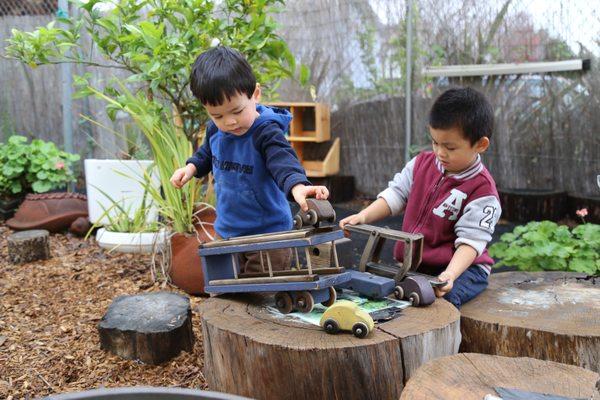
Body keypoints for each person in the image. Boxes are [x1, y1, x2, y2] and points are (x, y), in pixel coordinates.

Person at [170, 46, 328, 273]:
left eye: (237, 111)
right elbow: (207, 153)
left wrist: (297, 186)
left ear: (255, 94)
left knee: (263, 293)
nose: (229, 122)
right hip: (227, 232)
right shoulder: (216, 131)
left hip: (268, 236)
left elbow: (282, 161)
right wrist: (191, 167)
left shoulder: (266, 133)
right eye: (218, 115)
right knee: (224, 289)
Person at [340, 87, 501, 308]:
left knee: (439, 305)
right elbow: (396, 194)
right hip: (415, 264)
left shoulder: (482, 191)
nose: (440, 152)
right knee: (387, 294)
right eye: (435, 142)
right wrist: (363, 216)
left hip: (464, 269)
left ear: (480, 145)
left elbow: (471, 243)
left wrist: (450, 274)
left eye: (450, 147)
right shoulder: (421, 165)